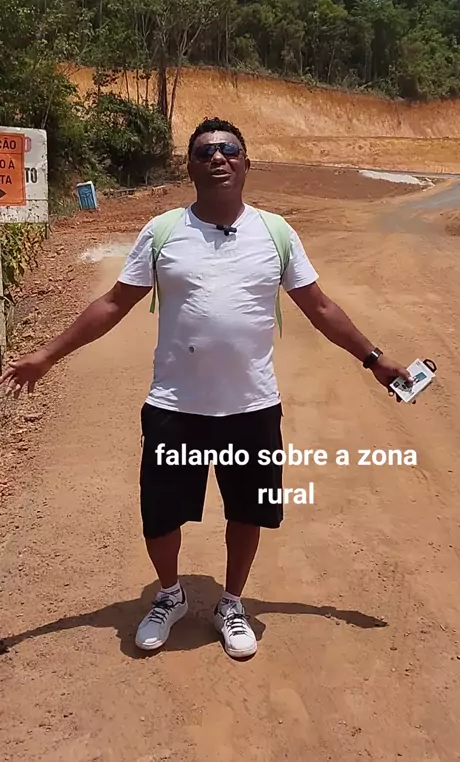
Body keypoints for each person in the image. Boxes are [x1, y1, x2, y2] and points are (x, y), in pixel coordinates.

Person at [0, 117, 412, 660]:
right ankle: (169, 596)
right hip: (175, 406)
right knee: (160, 514)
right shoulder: (163, 231)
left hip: (251, 406)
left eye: (229, 150)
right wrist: (48, 355)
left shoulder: (276, 233)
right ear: (190, 167)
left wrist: (374, 359)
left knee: (249, 511)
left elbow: (319, 307)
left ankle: (231, 603)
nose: (218, 157)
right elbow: (113, 303)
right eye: (205, 152)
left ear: (246, 163)